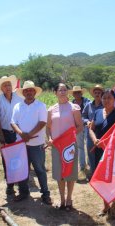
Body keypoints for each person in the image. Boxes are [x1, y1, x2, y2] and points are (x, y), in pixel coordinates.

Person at [11, 80, 52, 205]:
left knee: (40, 169)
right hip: (21, 143)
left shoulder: (40, 106)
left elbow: (42, 123)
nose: (29, 92)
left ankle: (45, 194)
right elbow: (13, 123)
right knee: (22, 169)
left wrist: (29, 135)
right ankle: (24, 192)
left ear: (35, 92)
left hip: (37, 144)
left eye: (31, 90)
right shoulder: (18, 106)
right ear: (23, 92)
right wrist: (21, 134)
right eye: (26, 90)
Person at [47, 83, 83, 211]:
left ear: (67, 92)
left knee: (70, 173)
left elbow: (80, 126)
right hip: (57, 147)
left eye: (64, 90)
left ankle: (69, 199)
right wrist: (50, 138)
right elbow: (48, 127)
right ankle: (62, 199)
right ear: (55, 92)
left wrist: (69, 137)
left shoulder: (74, 108)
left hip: (70, 147)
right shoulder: (51, 109)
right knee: (59, 173)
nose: (62, 92)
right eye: (59, 90)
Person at [89, 89, 115, 217]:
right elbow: (91, 129)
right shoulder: (97, 112)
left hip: (113, 151)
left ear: (114, 100)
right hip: (98, 150)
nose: (106, 100)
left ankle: (114, 205)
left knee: (113, 178)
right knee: (102, 178)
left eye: (109, 98)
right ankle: (105, 206)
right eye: (104, 98)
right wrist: (94, 140)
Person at [0, 75, 23, 195]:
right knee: (7, 159)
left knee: (19, 158)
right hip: (5, 132)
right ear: (2, 88)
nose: (8, 87)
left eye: (9, 85)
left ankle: (20, 183)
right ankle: (10, 185)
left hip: (18, 132)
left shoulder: (18, 98)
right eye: (5, 85)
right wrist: (0, 134)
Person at [82, 84, 104, 176]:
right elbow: (83, 116)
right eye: (95, 92)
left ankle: (100, 172)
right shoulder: (88, 105)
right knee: (90, 152)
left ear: (102, 94)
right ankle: (93, 173)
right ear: (93, 94)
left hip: (101, 133)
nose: (97, 94)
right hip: (89, 133)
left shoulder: (104, 105)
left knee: (101, 153)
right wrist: (87, 122)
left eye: (99, 92)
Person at [69, 86, 91, 176]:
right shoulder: (71, 103)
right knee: (80, 147)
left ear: (81, 93)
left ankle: (89, 165)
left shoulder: (87, 102)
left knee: (89, 146)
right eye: (75, 93)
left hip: (87, 126)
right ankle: (82, 166)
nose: (77, 94)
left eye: (78, 92)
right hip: (77, 127)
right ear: (73, 94)